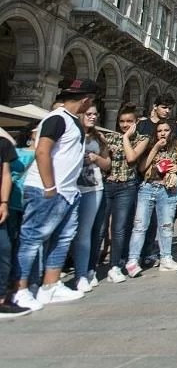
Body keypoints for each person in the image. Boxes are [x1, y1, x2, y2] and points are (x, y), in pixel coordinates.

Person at [13, 79, 99, 311]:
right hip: (48, 190)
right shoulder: (57, 118)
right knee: (32, 239)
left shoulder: (70, 120)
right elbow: (42, 150)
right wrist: (49, 186)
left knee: (62, 239)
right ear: (86, 99)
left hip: (68, 192)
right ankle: (19, 291)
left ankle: (50, 287)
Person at [123, 120, 177, 277]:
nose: (163, 133)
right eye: (159, 130)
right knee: (140, 226)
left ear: (170, 131)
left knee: (166, 226)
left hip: (168, 190)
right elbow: (141, 167)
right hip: (148, 188)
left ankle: (166, 258)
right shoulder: (148, 145)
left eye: (166, 130)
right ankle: (133, 260)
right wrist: (155, 148)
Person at [102, 104, 149, 283]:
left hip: (127, 186)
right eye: (122, 121)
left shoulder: (142, 139)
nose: (125, 124)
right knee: (100, 227)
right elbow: (106, 161)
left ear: (136, 122)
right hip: (108, 185)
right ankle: (90, 270)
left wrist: (126, 137)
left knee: (119, 228)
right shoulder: (109, 137)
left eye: (129, 121)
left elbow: (131, 158)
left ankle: (115, 265)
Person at [72, 106, 110, 292]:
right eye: (89, 114)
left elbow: (107, 164)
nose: (93, 117)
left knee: (86, 232)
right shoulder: (70, 134)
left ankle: (85, 272)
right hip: (69, 188)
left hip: (93, 188)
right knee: (64, 233)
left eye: (96, 114)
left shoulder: (98, 138)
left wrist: (95, 158)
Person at [0, 126, 30, 317]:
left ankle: (2, 300)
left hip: (0, 205)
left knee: (4, 249)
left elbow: (5, 175)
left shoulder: (3, 144)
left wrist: (3, 202)